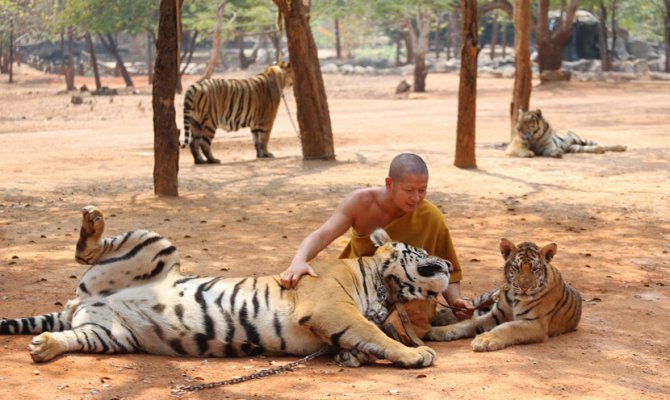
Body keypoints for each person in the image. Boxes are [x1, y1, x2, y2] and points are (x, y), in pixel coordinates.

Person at [279, 153, 473, 345]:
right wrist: (299, 260)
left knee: (419, 308)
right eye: (409, 190)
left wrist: (456, 300)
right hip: (357, 287)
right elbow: (322, 236)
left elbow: (450, 270)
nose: (416, 197)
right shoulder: (361, 202)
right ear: (390, 184)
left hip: (402, 294)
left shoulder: (432, 217)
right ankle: (364, 335)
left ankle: (378, 339)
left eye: (422, 190)